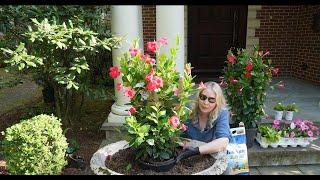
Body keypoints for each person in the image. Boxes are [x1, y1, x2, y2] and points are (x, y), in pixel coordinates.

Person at [176, 81, 232, 174]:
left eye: (211, 100)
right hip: (190, 156)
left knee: (226, 171)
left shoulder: (222, 113)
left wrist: (196, 151)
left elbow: (223, 141)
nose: (206, 102)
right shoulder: (188, 111)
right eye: (203, 97)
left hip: (212, 154)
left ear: (217, 101)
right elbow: (177, 135)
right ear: (198, 98)